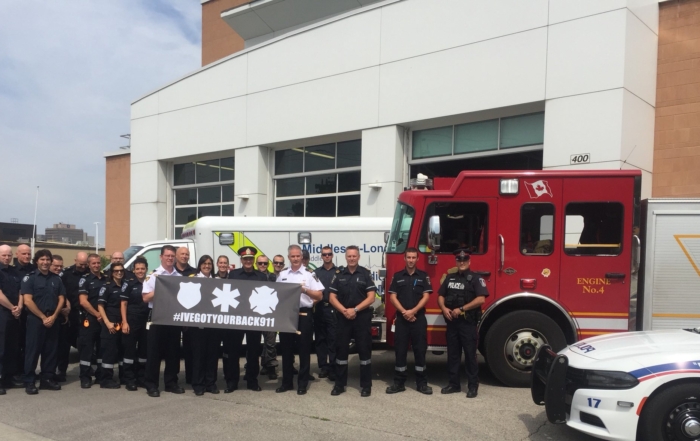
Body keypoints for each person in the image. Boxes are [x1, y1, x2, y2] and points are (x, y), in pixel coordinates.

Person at [437, 249, 488, 398]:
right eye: (459, 260)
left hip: (468, 323)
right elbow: (441, 295)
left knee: (470, 355)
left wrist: (461, 308)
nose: (462, 262)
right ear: (456, 262)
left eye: (464, 260)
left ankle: (473, 386)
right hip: (452, 323)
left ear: (469, 261)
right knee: (453, 355)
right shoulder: (450, 278)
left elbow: (481, 299)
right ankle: (454, 384)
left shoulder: (476, 279)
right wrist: (444, 308)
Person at [328, 246, 376, 397]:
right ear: (346, 257)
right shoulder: (339, 274)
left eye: (354, 256)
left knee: (364, 351)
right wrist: (344, 311)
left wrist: (354, 310)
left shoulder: (365, 274)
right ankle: (339, 385)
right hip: (343, 317)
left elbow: (371, 297)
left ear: (359, 257)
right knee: (341, 351)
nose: (352, 258)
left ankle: (366, 386)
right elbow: (331, 297)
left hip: (361, 317)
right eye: (349, 256)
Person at [275, 245, 323, 395]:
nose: (295, 259)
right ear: (288, 258)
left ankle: (302, 383)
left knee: (304, 350)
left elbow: (319, 296)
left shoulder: (310, 275)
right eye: (292, 256)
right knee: (286, 350)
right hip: (287, 315)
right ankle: (287, 382)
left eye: (298, 256)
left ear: (302, 258)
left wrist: (305, 290)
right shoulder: (282, 275)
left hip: (304, 315)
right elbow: (275, 295)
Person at [386, 247, 433, 395]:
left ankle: (422, 384)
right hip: (402, 319)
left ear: (417, 259)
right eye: (409, 257)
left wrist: (413, 311)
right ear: (404, 259)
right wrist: (404, 312)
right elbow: (392, 297)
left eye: (413, 257)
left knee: (420, 351)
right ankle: (399, 383)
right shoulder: (398, 276)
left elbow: (426, 296)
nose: (411, 260)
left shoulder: (423, 276)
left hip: (418, 319)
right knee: (400, 352)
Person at [21, 249, 65, 394]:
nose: (45, 262)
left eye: (47, 260)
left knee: (50, 351)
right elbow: (27, 301)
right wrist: (43, 317)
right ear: (36, 261)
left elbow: (61, 298)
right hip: (36, 320)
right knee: (32, 351)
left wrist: (54, 316)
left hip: (53, 318)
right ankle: (29, 381)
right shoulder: (30, 278)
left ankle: (47, 379)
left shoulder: (56, 279)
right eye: (42, 260)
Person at [142, 245, 183, 397]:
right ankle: (151, 384)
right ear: (161, 257)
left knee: (173, 352)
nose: (170, 258)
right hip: (157, 317)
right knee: (154, 353)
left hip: (173, 317)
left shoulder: (179, 278)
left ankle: (171, 383)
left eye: (172, 256)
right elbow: (145, 297)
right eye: (167, 256)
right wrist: (162, 287)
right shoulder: (153, 276)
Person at [224, 246, 266, 393]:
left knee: (254, 351)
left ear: (253, 260)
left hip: (254, 318)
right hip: (237, 318)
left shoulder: (261, 276)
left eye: (250, 259)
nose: (248, 261)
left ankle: (252, 380)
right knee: (234, 350)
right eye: (245, 259)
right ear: (241, 260)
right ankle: (232, 382)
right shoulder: (234, 274)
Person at [190, 255, 220, 396]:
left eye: (209, 263)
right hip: (198, 324)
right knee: (199, 355)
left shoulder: (217, 281)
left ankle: (211, 383)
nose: (207, 266)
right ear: (199, 265)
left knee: (212, 355)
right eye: (204, 263)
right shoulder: (193, 280)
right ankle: (198, 384)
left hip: (214, 323)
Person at [57, 252, 88, 383]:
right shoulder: (66, 274)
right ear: (75, 260)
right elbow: (60, 292)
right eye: (80, 264)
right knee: (65, 344)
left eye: (84, 264)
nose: (82, 266)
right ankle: (62, 371)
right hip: (70, 314)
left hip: (86, 314)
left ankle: (86, 370)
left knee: (85, 344)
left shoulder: (90, 273)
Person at [77, 254, 107, 388]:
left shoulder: (106, 279)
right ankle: (85, 377)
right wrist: (97, 314)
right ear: (88, 265)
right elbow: (83, 301)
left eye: (98, 263)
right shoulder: (85, 280)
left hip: (104, 320)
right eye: (93, 263)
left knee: (102, 349)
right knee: (87, 349)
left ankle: (101, 375)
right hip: (90, 319)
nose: (96, 265)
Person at [120, 257, 149, 391]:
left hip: (146, 321)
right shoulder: (128, 283)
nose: (140, 271)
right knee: (129, 350)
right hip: (131, 320)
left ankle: (141, 378)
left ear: (146, 269)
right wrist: (124, 322)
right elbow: (123, 303)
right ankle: (129, 379)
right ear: (134, 270)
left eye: (142, 268)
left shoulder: (150, 282)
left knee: (143, 351)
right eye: (138, 269)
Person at [96, 262, 127, 389]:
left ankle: (122, 377)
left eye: (121, 271)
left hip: (122, 323)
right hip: (110, 323)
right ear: (112, 273)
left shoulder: (125, 286)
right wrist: (107, 323)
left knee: (121, 351)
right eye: (116, 271)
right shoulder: (107, 287)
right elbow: (100, 306)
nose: (119, 273)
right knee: (109, 352)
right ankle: (105, 379)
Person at [0, 245, 23, 390]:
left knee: (12, 347)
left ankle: (9, 377)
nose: (7, 258)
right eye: (3, 255)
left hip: (15, 314)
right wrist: (12, 307)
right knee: (1, 347)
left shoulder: (14, 271)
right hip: (2, 312)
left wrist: (19, 306)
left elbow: (21, 290)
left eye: (9, 255)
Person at [13, 244, 35, 384]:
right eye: (24, 254)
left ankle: (28, 371)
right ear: (17, 254)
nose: (27, 256)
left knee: (29, 345)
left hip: (31, 313)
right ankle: (16, 372)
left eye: (28, 254)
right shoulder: (12, 270)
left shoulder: (34, 269)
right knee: (16, 344)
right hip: (15, 313)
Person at [175, 247, 196, 385]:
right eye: (182, 254)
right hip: (173, 316)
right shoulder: (170, 273)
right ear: (177, 256)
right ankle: (173, 378)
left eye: (187, 254)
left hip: (190, 316)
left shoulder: (194, 272)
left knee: (190, 349)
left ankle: (191, 377)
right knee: (173, 349)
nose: (184, 256)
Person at [257, 254, 278, 380]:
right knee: (253, 343)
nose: (263, 265)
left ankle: (270, 367)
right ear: (256, 264)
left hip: (269, 314)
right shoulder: (252, 277)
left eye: (265, 263)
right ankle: (254, 366)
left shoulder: (272, 277)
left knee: (270, 342)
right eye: (260, 263)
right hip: (254, 314)